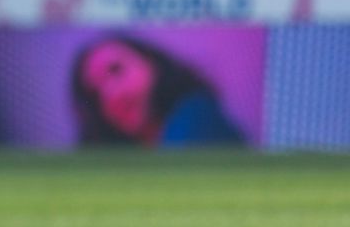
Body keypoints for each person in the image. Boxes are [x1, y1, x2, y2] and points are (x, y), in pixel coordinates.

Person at [70, 35, 244, 147]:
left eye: (116, 70)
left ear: (150, 63)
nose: (111, 95)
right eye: (96, 94)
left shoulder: (197, 117)